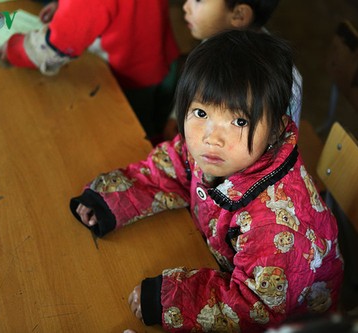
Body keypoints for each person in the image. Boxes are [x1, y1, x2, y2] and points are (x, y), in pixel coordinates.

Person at [70, 30, 343, 332]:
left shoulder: (278, 226)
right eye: (200, 112)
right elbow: (171, 167)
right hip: (221, 266)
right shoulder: (222, 153)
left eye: (239, 121)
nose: (212, 137)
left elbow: (255, 308)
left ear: (276, 130)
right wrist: (109, 200)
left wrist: (170, 299)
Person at [0, 0, 180, 142]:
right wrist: (64, 8)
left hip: (130, 79)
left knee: (139, 139)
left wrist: (14, 50)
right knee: (163, 127)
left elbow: (53, 48)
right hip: (164, 58)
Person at [163, 0, 303, 141]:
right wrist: (176, 115)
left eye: (199, 1)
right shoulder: (212, 42)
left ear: (239, 15)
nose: (185, 6)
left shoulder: (285, 82)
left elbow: (283, 142)